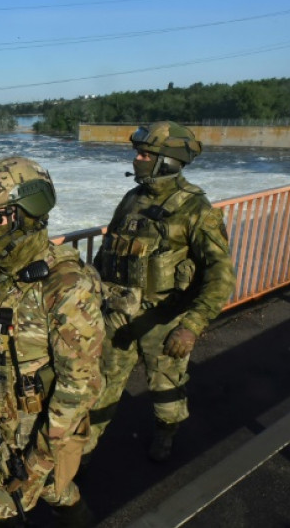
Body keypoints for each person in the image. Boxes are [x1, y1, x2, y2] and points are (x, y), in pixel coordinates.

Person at [0, 156, 105, 527]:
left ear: (26, 214)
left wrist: (35, 461)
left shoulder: (66, 286)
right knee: (57, 492)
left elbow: (80, 386)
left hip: (34, 437)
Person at [88, 121, 235, 462]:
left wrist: (192, 325)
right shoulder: (132, 198)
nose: (137, 159)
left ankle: (166, 435)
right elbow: (108, 251)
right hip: (119, 316)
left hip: (164, 320)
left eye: (145, 154)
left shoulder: (196, 209)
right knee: (102, 385)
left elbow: (221, 275)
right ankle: (82, 453)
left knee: (166, 387)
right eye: (139, 153)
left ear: (167, 161)